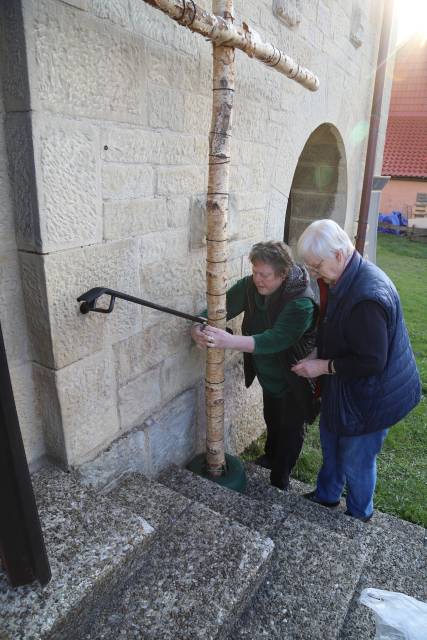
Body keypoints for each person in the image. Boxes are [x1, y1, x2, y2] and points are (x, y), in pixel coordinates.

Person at [292, 219, 421, 521]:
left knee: (357, 460)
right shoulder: (344, 277)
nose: (313, 274)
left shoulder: (367, 297)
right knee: (331, 441)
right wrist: (318, 351)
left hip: (372, 397)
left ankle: (358, 515)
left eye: (316, 266)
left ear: (338, 255)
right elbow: (340, 329)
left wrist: (322, 366)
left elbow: (371, 361)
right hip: (347, 389)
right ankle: (326, 496)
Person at [191, 241, 319, 490]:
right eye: (255, 272)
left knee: (291, 428)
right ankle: (270, 458)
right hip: (270, 375)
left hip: (296, 376)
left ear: (282, 274)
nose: (258, 279)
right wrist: (198, 324)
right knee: (272, 417)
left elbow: (276, 339)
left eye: (265, 275)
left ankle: (280, 481)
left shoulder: (301, 303)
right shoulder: (251, 287)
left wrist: (228, 341)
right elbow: (222, 307)